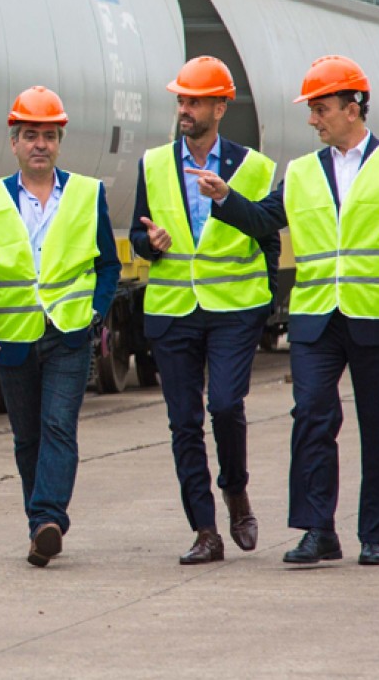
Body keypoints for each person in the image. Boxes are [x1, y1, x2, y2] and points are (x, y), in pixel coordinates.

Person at [192, 55, 379, 567]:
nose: (313, 119)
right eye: (311, 109)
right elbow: (267, 219)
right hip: (316, 319)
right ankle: (317, 530)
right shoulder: (303, 172)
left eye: (321, 108)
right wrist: (226, 198)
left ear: (353, 108)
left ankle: (374, 535)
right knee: (311, 415)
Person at [0, 86, 121, 567]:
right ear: (14, 142)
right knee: (27, 436)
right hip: (11, 339)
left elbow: (108, 265)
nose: (40, 144)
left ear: (59, 141)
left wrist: (95, 310)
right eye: (30, 135)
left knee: (57, 426)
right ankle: (40, 527)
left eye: (48, 136)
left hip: (69, 334)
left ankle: (49, 519)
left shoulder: (88, 194)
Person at [129, 56, 278, 565]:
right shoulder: (153, 164)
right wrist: (150, 244)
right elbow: (137, 236)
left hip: (235, 309)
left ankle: (236, 492)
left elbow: (265, 233)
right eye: (180, 100)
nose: (184, 109)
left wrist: (264, 305)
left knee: (224, 407)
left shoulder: (254, 168)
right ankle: (205, 530)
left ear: (220, 106)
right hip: (174, 309)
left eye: (194, 101)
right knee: (184, 422)